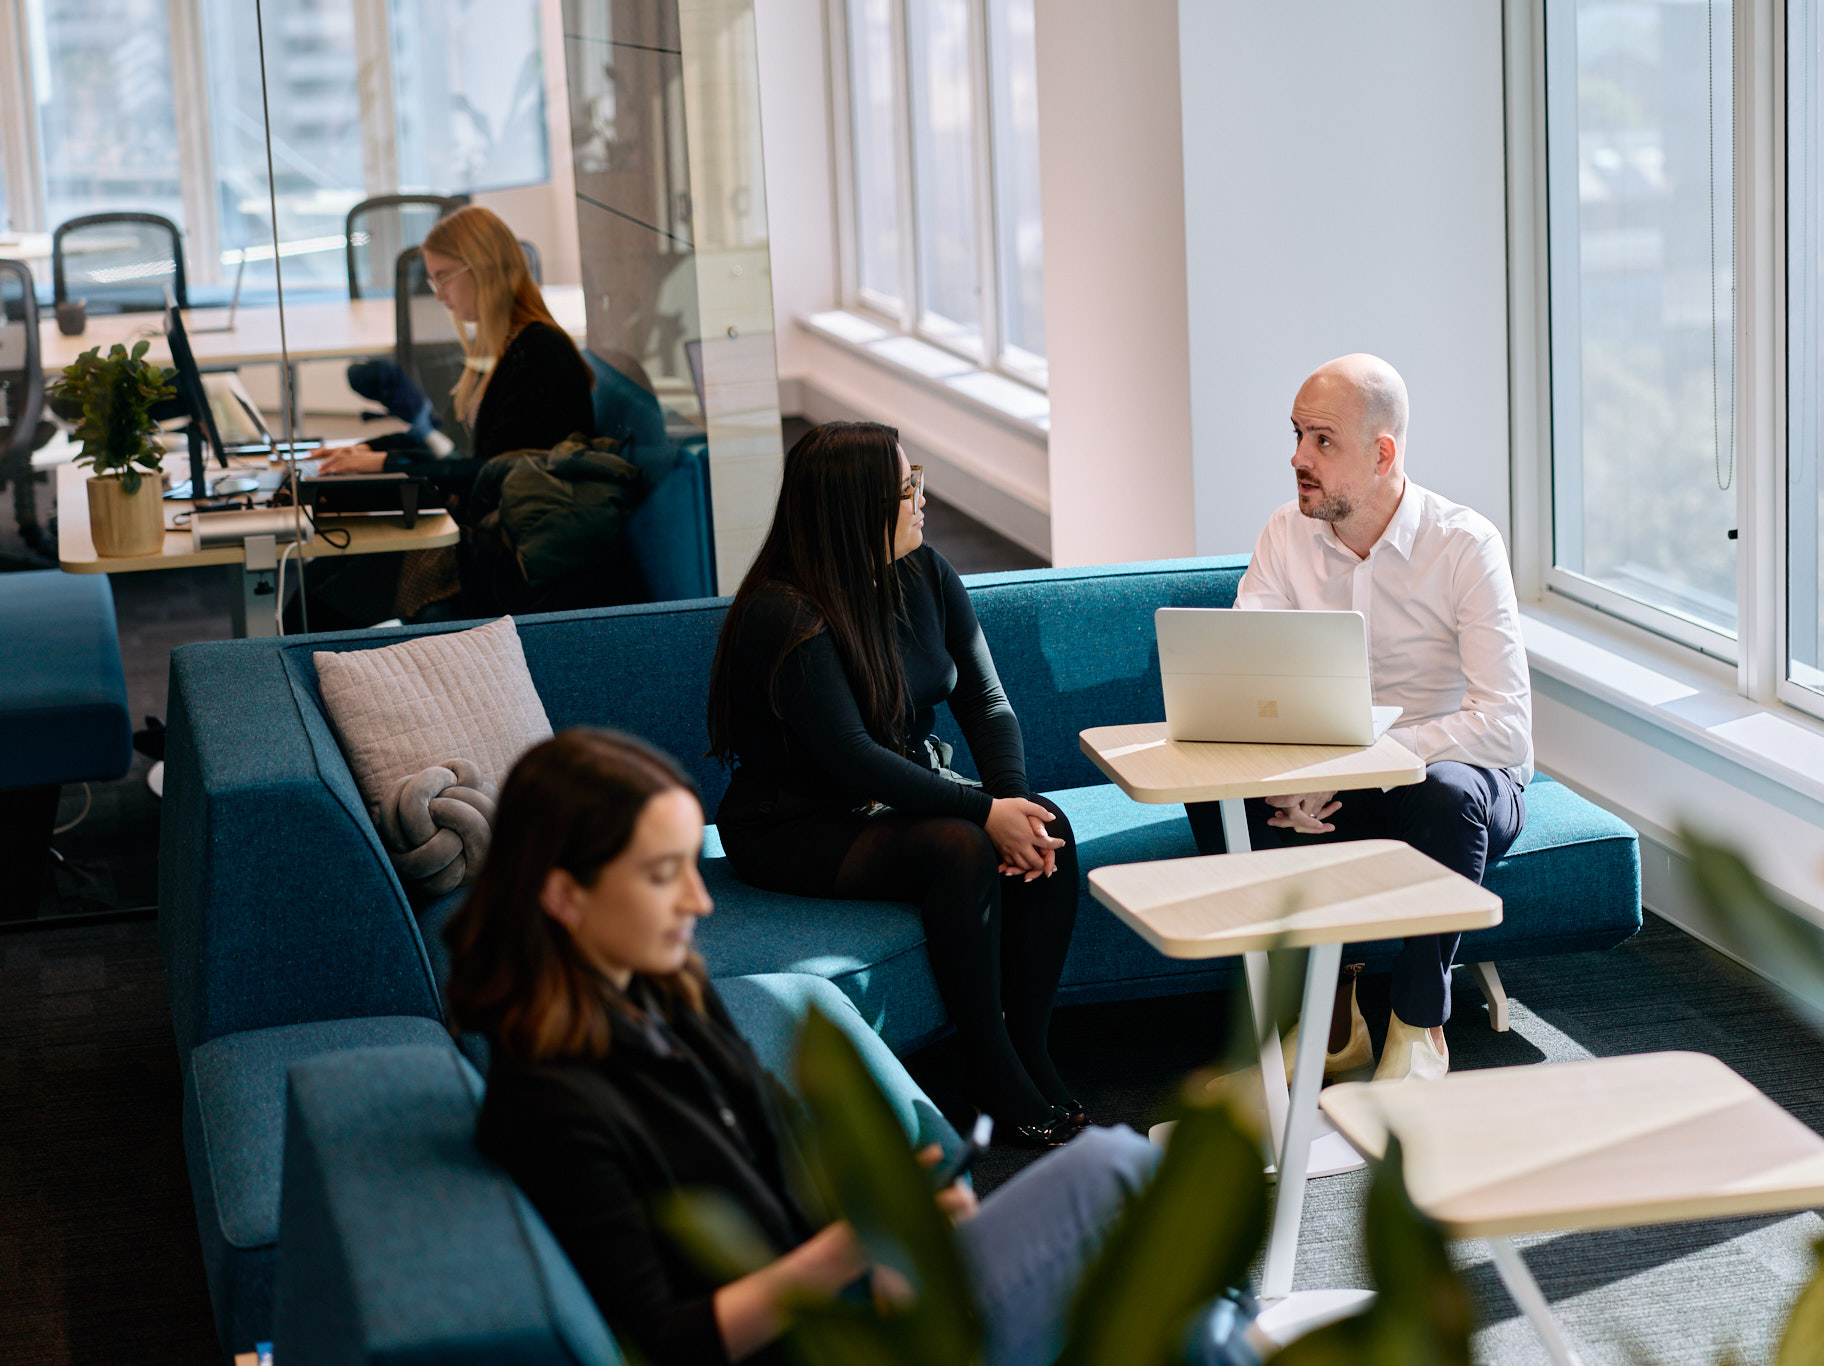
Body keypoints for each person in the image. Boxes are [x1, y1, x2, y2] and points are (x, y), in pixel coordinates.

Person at [449, 728, 1234, 1366]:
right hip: (829, 1343)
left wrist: (894, 1228)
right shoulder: (551, 1103)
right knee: (1118, 1173)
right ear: (564, 896)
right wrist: (857, 1245)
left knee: (1143, 1219)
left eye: (691, 866)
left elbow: (766, 1150)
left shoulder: (661, 991)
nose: (698, 900)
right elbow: (664, 1341)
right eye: (662, 876)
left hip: (862, 1301)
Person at [706, 422, 1084, 1147]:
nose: (921, 500)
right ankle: (991, 1067)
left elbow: (986, 702)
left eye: (917, 482)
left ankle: (1029, 1049)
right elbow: (851, 756)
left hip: (898, 793)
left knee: (1046, 825)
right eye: (906, 488)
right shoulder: (783, 611)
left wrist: (1009, 803)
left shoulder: (926, 571)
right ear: (855, 510)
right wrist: (983, 814)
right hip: (796, 821)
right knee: (959, 848)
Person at [1187, 354, 1531, 1084]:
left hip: (1448, 787)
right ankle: (1329, 1019)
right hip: (1332, 783)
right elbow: (1245, 687)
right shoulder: (1285, 535)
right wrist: (1284, 775)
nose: (1298, 458)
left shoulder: (1465, 544)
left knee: (1445, 792)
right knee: (1218, 795)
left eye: (1322, 441)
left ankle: (1419, 1025)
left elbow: (1504, 727)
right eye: (1297, 435)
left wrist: (1358, 762)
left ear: (1382, 454)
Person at [300, 206, 596, 626]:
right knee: (318, 582)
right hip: (471, 517)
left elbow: (493, 472)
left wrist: (387, 463)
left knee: (316, 602)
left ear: (484, 268)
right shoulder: (500, 343)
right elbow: (447, 439)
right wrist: (368, 448)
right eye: (432, 280)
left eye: (443, 277)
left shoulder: (539, 353)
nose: (437, 294)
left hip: (500, 544)